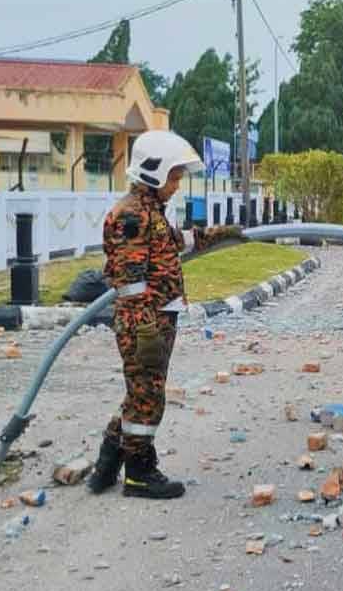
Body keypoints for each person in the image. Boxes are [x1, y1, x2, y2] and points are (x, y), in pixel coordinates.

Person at [87, 130, 242, 499]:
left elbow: (180, 242)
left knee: (139, 394)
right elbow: (129, 281)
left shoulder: (151, 212)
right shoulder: (130, 217)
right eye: (173, 177)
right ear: (153, 172)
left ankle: (106, 466)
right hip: (145, 322)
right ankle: (140, 474)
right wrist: (146, 328)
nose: (176, 185)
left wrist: (223, 234)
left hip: (155, 318)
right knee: (148, 398)